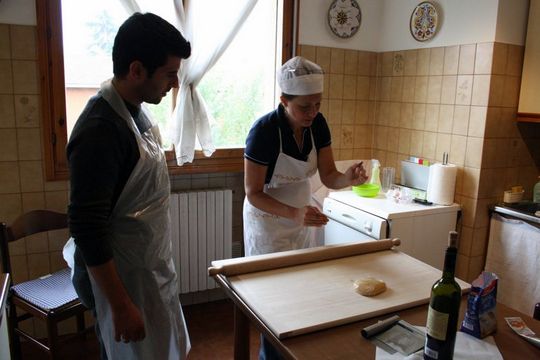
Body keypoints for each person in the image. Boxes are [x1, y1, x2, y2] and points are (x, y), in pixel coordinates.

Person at [64, 13, 191, 360]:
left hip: (147, 268)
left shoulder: (135, 112)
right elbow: (87, 229)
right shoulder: (99, 130)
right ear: (137, 70)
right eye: (169, 74)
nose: (175, 83)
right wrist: (120, 306)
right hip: (121, 281)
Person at [243, 56, 368, 359]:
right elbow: (253, 192)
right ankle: (268, 356)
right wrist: (294, 213)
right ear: (284, 100)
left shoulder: (318, 125)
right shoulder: (263, 132)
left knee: (299, 295)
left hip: (301, 216)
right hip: (268, 222)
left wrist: (348, 178)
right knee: (272, 304)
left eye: (317, 104)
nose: (312, 112)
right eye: (304, 107)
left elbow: (329, 175)